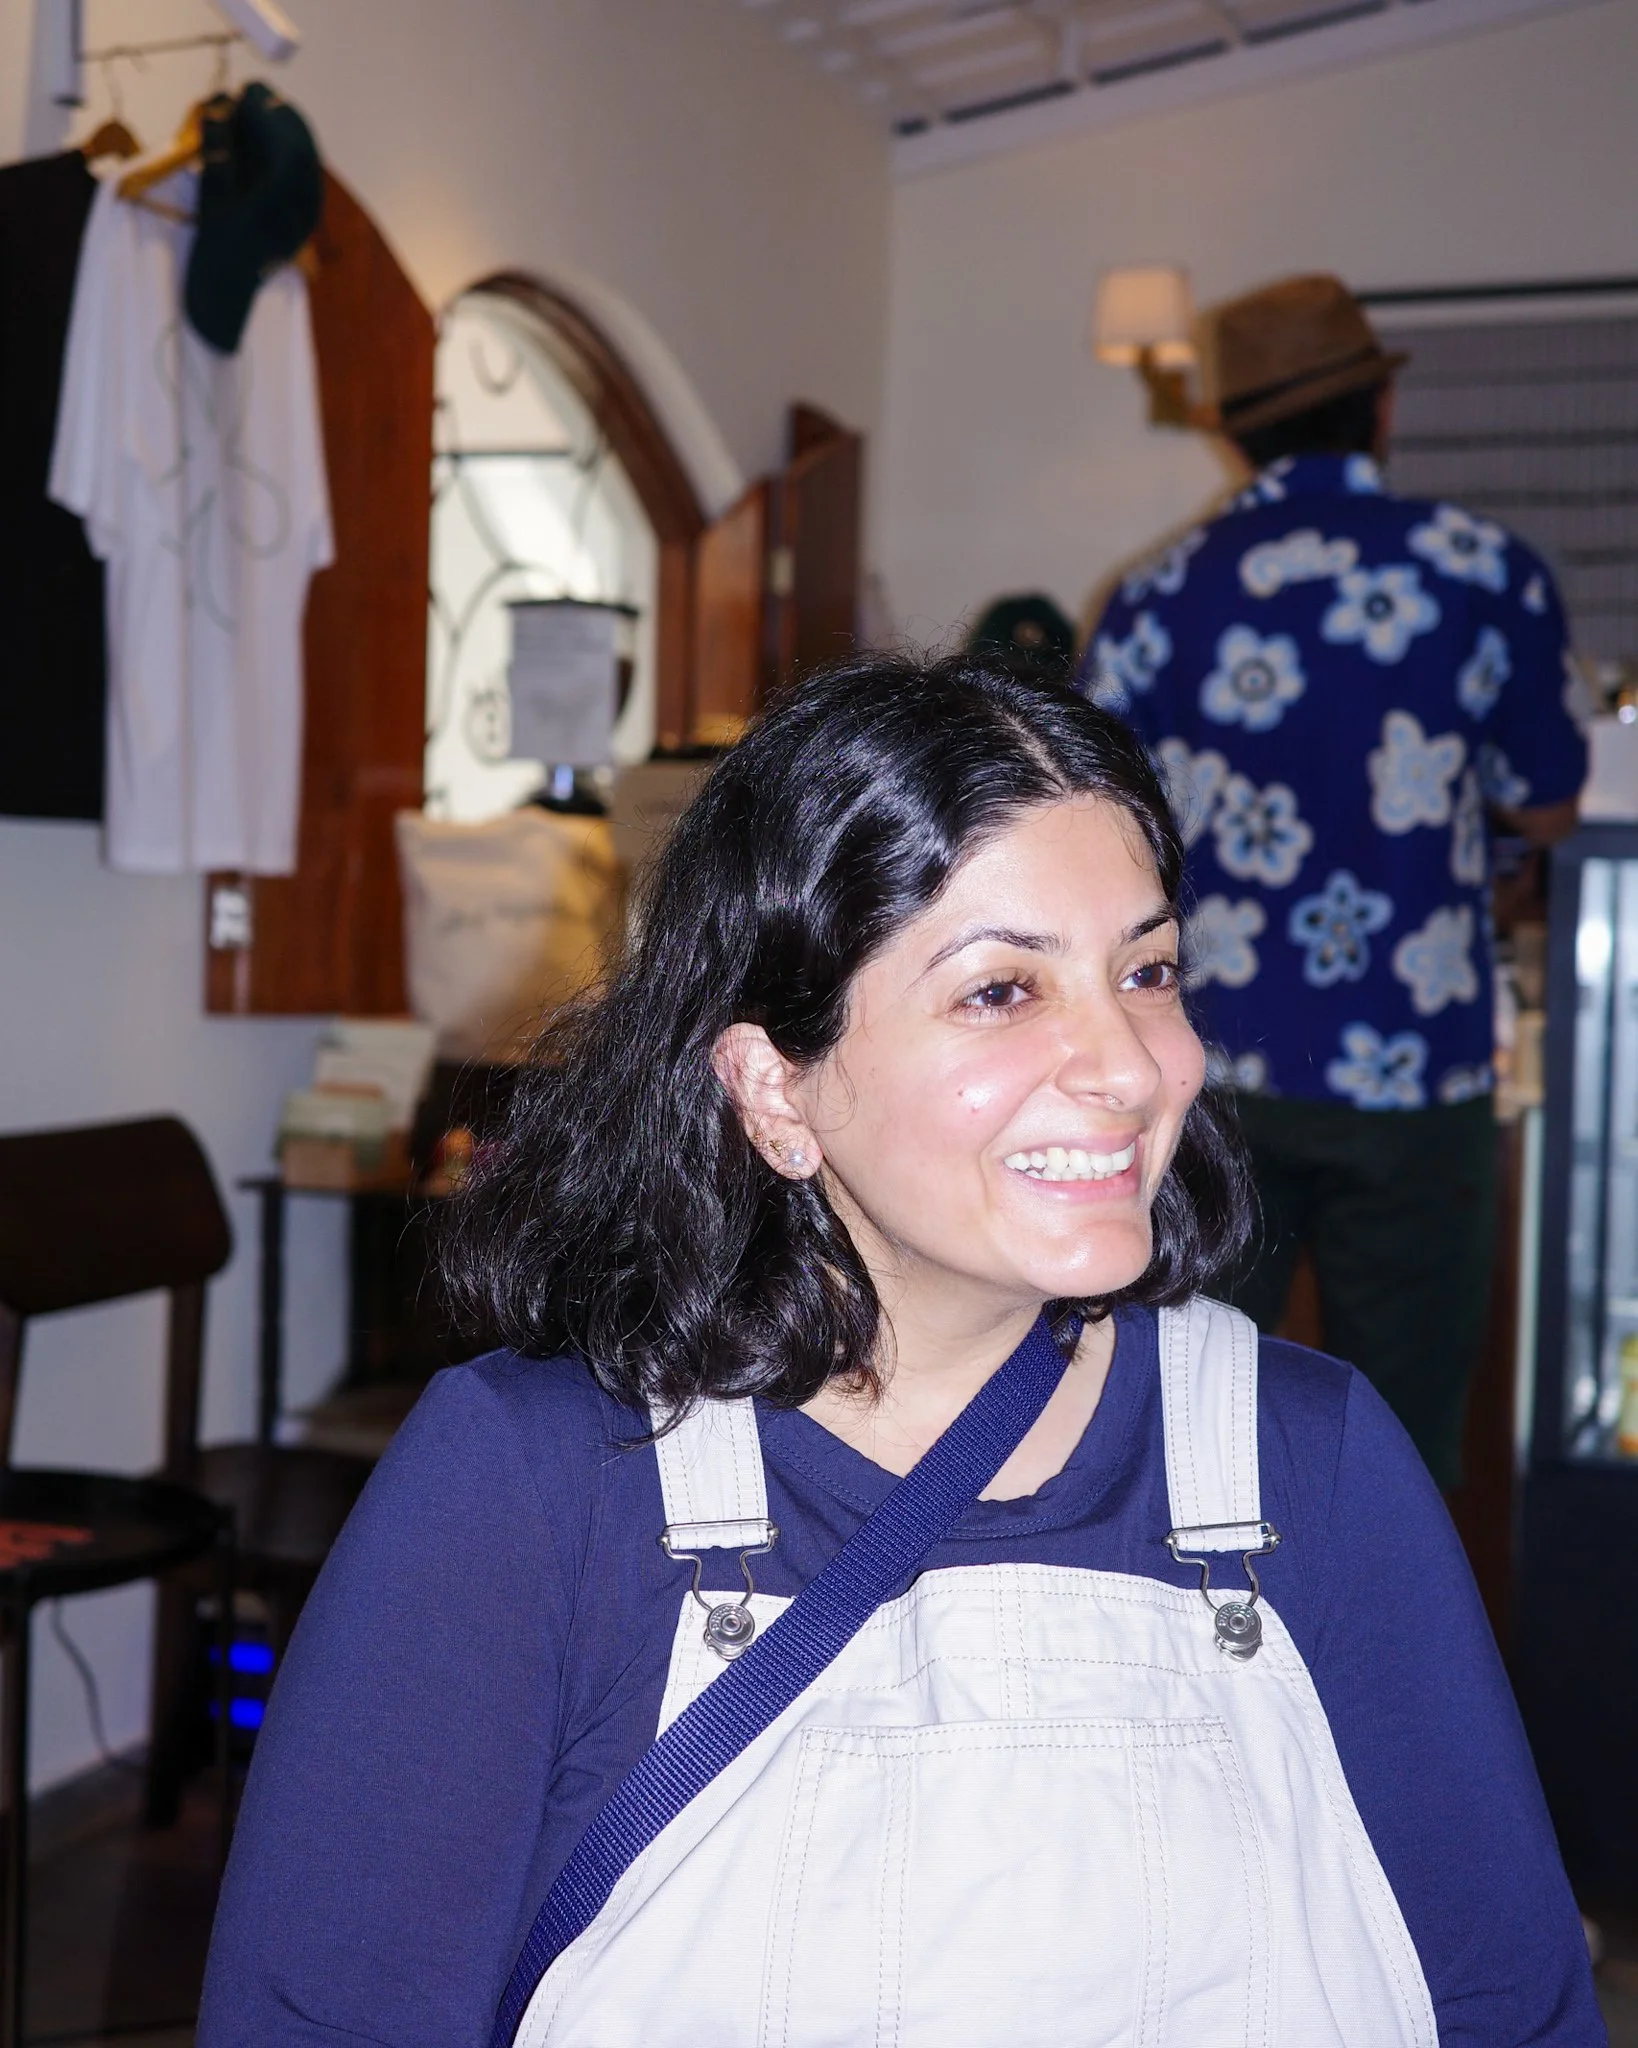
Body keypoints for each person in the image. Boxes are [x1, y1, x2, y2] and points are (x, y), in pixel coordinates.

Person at [198, 654, 1601, 2046]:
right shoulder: (533, 1490)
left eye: (1147, 969)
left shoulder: (1309, 1461)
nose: (1127, 1064)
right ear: (774, 1086)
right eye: (1002, 990)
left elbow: (1507, 2008)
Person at [1080, 273, 1587, 1489]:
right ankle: (1378, 1664)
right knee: (1400, 1433)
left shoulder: (1152, 598)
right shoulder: (1483, 572)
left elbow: (1098, 835)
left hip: (1211, 1062)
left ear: (1230, 428)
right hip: (1418, 1063)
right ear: (1380, 410)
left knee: (1189, 1408)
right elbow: (1551, 795)